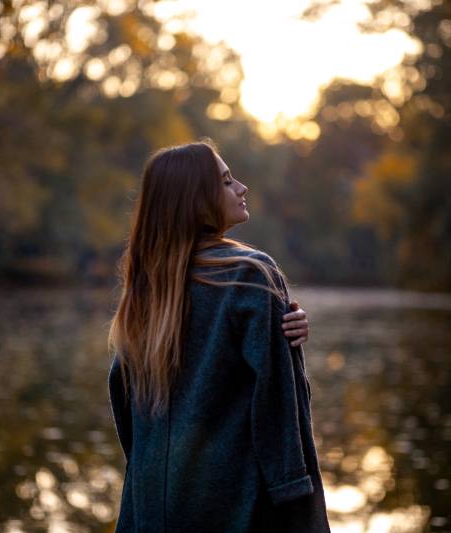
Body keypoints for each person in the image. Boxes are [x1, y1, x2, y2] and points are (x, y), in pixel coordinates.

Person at [107, 138, 330, 532]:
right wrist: (298, 505)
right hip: (236, 511)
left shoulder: (145, 289)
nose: (242, 188)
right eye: (227, 182)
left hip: (150, 510)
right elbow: (282, 406)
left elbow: (127, 411)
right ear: (195, 199)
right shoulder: (251, 275)